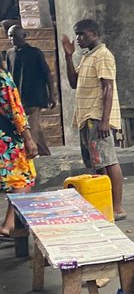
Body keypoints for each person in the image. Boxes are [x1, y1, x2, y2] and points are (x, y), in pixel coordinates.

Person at [61, 19, 125, 220]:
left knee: (109, 160)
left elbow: (108, 87)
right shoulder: (88, 56)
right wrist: (68, 56)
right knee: (97, 164)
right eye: (77, 34)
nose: (78, 39)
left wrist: (104, 120)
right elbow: (73, 83)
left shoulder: (103, 56)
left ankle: (117, 208)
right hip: (86, 116)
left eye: (82, 34)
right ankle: (103, 202)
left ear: (95, 33)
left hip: (97, 117)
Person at [6, 23, 56, 156]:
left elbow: (47, 74)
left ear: (24, 36)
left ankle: (30, 156)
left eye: (15, 36)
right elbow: (9, 76)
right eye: (10, 37)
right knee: (34, 127)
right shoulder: (10, 53)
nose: (12, 39)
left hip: (35, 97)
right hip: (19, 97)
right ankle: (44, 152)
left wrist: (52, 94)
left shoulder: (35, 52)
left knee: (30, 128)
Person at [0, 69, 38, 238]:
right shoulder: (2, 77)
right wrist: (28, 138)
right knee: (24, 179)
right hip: (5, 137)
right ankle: (10, 225)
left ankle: (8, 223)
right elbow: (15, 109)